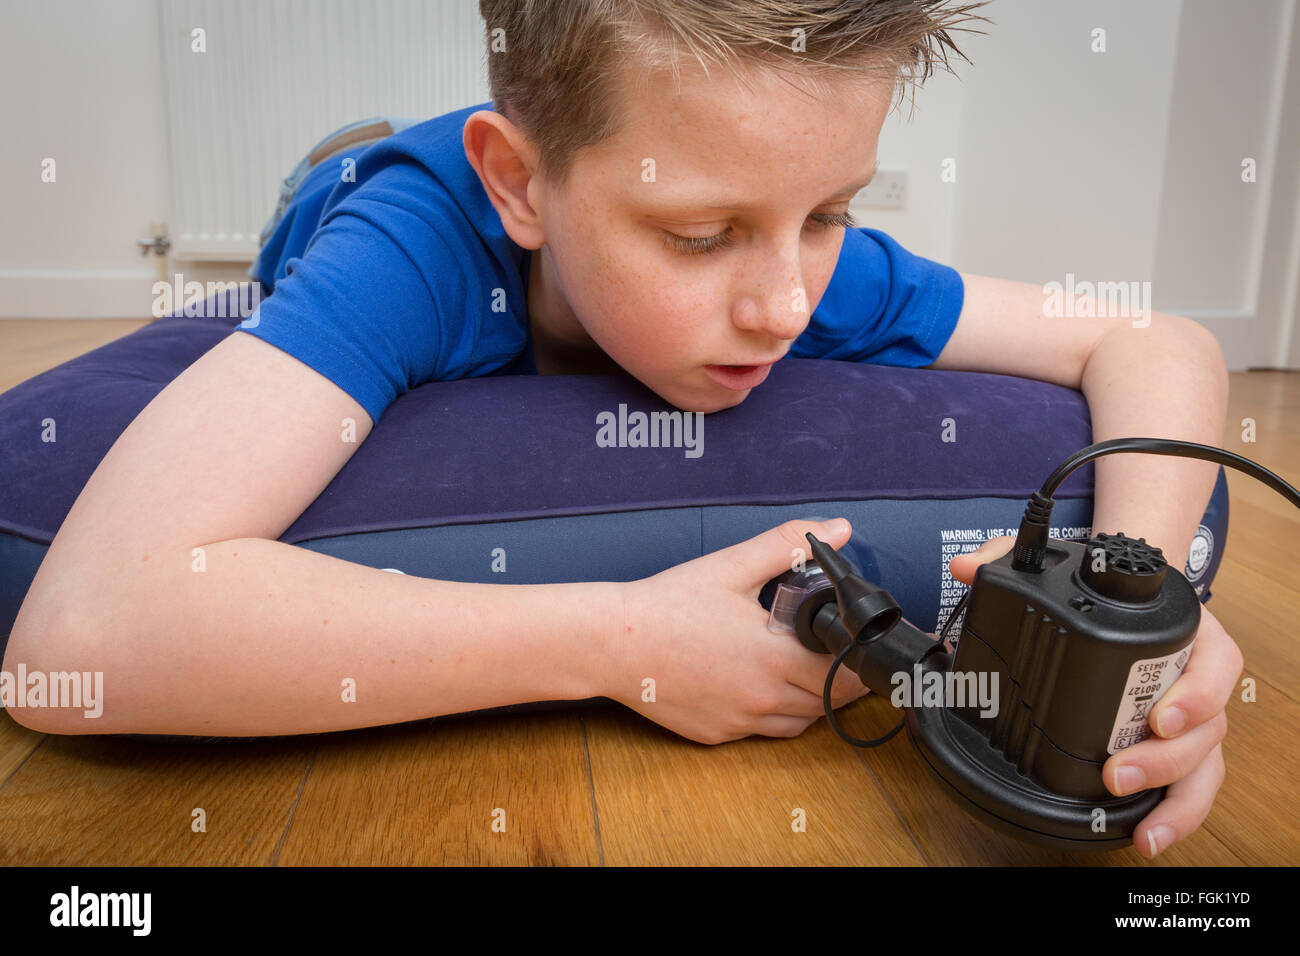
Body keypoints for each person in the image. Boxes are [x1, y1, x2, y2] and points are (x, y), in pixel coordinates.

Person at [6, 0, 1235, 861]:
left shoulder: (808, 269)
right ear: (520, 186)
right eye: (699, 237)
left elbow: (1152, 338)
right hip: (340, 186)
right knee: (335, 168)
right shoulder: (408, 252)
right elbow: (80, 638)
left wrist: (1133, 594)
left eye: (830, 213)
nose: (785, 305)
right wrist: (614, 637)